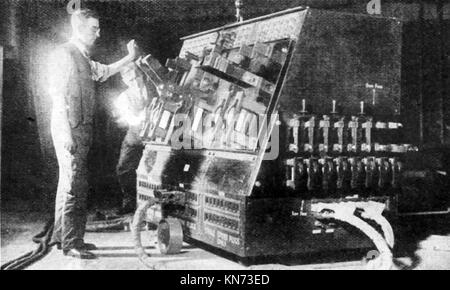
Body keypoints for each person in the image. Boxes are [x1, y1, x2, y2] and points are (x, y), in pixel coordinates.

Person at [48, 8, 139, 259]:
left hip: (79, 130)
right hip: (70, 130)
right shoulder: (64, 54)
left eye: (98, 28)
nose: (98, 33)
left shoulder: (83, 57)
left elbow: (105, 72)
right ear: (78, 28)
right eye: (93, 28)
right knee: (73, 187)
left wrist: (130, 57)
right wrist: (66, 134)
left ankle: (62, 237)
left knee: (69, 184)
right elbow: (57, 97)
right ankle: (71, 243)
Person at [114, 62, 158, 215]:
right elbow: (130, 120)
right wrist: (142, 117)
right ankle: (130, 201)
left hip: (156, 136)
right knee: (123, 168)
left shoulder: (155, 89)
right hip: (135, 135)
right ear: (125, 81)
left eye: (137, 77)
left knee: (155, 169)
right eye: (131, 80)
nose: (136, 82)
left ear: (142, 75)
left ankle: (155, 204)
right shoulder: (123, 97)